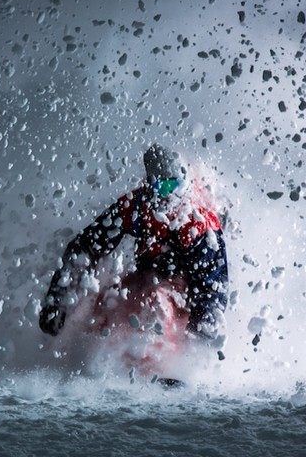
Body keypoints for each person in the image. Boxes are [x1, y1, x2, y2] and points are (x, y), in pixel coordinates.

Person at [39, 143, 228, 342]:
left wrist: (200, 336)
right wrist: (57, 299)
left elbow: (213, 283)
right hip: (149, 272)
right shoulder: (136, 207)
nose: (168, 196)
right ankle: (94, 352)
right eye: (160, 187)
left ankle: (157, 361)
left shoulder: (197, 223)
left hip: (187, 286)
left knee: (156, 303)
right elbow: (87, 245)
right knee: (112, 300)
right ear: (149, 186)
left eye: (173, 186)